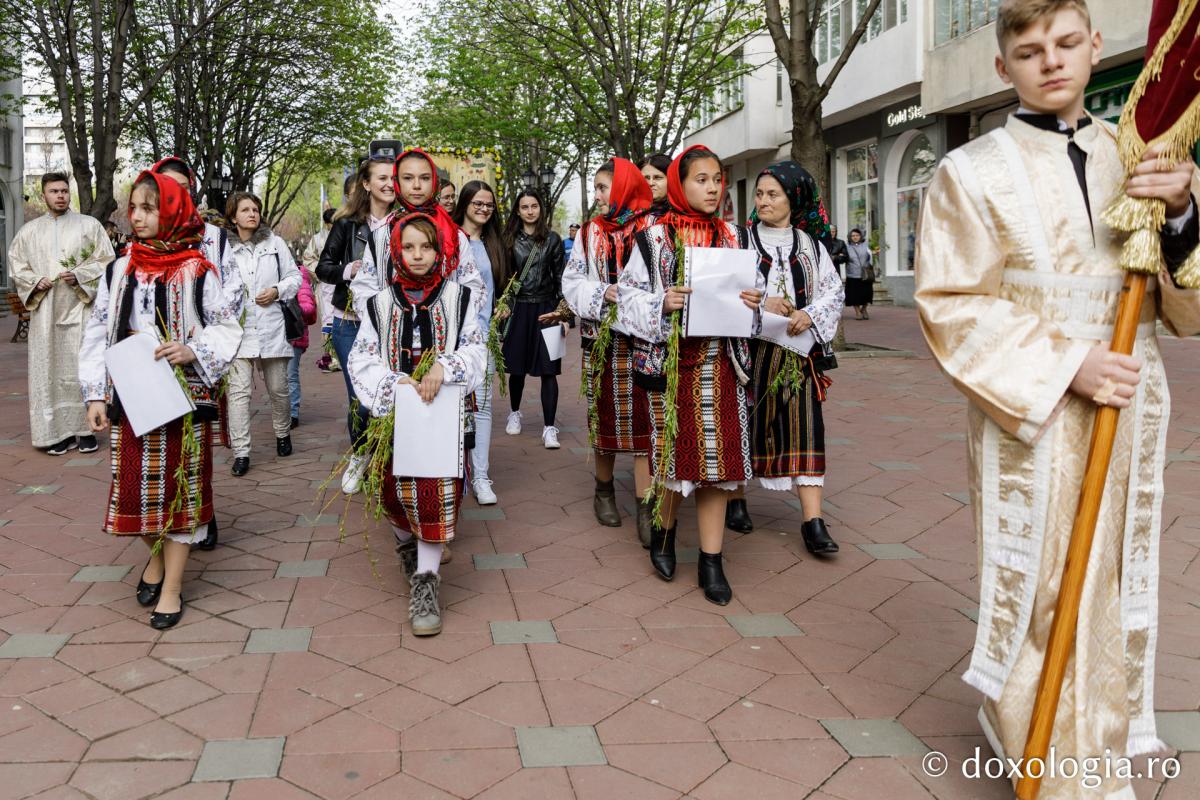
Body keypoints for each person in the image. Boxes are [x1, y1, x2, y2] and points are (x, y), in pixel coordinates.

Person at [914, 1, 1199, 797]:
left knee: (1109, 572)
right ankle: (1036, 746)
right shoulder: (968, 172)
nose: (1053, 61)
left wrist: (1181, 211)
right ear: (1003, 67)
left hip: (1130, 399)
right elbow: (950, 302)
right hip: (1032, 407)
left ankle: (1097, 749)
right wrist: (1069, 363)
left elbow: (1187, 310)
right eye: (1030, 50)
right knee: (1040, 576)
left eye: (1068, 43)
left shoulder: (1141, 159)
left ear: (1095, 46)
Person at [78, 171, 242, 629]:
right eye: (134, 208)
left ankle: (172, 587)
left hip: (183, 399)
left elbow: (227, 327)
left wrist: (194, 349)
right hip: (133, 395)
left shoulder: (197, 271)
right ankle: (155, 557)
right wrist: (95, 393)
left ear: (171, 210)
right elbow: (98, 331)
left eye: (149, 208)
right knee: (136, 491)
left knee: (180, 489)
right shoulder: (120, 267)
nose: (138, 217)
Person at [617, 145, 763, 606]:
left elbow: (757, 302)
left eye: (718, 179)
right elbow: (624, 301)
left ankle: (711, 560)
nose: (714, 187)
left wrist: (754, 304)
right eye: (702, 179)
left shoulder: (737, 237)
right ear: (681, 184)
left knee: (717, 467)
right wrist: (662, 302)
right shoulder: (654, 238)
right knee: (671, 463)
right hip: (670, 366)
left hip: (721, 363)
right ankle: (663, 533)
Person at [348, 213, 487, 636]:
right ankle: (407, 542)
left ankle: (426, 582)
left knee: (437, 493)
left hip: (445, 419)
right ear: (395, 252)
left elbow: (477, 350)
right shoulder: (379, 303)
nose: (418, 255)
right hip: (394, 416)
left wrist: (447, 366)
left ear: (441, 249)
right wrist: (393, 384)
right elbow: (361, 357)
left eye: (426, 246)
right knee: (391, 492)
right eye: (408, 247)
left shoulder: (462, 298)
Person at [747, 161, 844, 555]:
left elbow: (832, 294)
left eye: (773, 194)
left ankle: (813, 521)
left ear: (793, 199)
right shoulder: (741, 240)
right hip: (751, 352)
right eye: (760, 194)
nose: (764, 201)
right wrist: (761, 301)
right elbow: (726, 288)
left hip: (800, 354)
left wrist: (811, 314)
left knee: (806, 428)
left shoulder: (812, 246)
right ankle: (736, 500)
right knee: (746, 425)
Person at [562, 158, 656, 543]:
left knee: (647, 421)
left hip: (646, 337)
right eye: (597, 188)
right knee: (604, 416)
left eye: (604, 188)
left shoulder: (653, 230)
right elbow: (572, 282)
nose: (598, 196)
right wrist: (603, 292)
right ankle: (604, 491)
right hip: (602, 339)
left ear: (623, 189)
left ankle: (647, 506)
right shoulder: (589, 234)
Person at [9, 172, 115, 455]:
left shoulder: (89, 226)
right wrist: (34, 281)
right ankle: (53, 433)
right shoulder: (28, 232)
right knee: (48, 370)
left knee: (81, 366)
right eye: (54, 191)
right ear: (44, 195)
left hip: (81, 310)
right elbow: (16, 266)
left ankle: (85, 431)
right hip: (45, 313)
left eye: (64, 191)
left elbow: (107, 261)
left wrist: (80, 274)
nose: (60, 195)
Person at [317, 156, 395, 492]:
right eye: (382, 178)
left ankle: (387, 462)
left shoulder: (407, 223)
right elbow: (324, 268)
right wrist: (350, 270)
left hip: (392, 321)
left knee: (390, 391)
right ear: (366, 184)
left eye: (395, 177)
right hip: (350, 321)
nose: (390, 183)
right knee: (359, 397)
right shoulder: (347, 224)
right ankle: (360, 455)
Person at [225, 191, 301, 476]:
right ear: (233, 217)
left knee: (279, 390)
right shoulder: (224, 248)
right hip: (238, 331)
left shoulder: (275, 243)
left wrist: (277, 291)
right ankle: (241, 453)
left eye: (255, 209)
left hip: (271, 327)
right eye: (245, 210)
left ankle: (282, 434)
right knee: (238, 394)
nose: (252, 214)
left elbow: (295, 277)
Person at [452, 180, 509, 506]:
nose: (484, 208)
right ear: (465, 203)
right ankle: (454, 473)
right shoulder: (450, 238)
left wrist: (504, 304)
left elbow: (496, 286)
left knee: (483, 407)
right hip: (453, 339)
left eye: (489, 204)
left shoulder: (493, 243)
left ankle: (481, 477)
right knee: (455, 409)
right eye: (478, 203)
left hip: (485, 336)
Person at [498, 189, 567, 449]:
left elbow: (561, 278)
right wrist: (503, 307)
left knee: (550, 370)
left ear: (540, 209)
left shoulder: (552, 240)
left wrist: (564, 315)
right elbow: (504, 278)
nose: (530, 211)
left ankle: (550, 428)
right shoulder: (509, 240)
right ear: (518, 210)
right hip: (519, 309)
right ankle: (514, 412)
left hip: (547, 309)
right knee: (517, 368)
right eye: (525, 206)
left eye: (534, 206)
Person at [304, 208, 338, 372]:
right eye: (333, 223)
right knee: (328, 319)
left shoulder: (345, 234)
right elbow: (308, 258)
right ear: (326, 223)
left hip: (343, 282)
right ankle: (331, 356)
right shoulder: (317, 239)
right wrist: (322, 271)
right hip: (325, 285)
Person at [287, 261, 318, 427]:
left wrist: (289, 309)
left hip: (294, 336)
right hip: (277, 336)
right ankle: (282, 410)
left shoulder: (299, 278)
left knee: (290, 375)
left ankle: (292, 413)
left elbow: (308, 307)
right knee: (279, 377)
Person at [843, 228, 873, 319]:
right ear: (850, 237)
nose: (855, 237)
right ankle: (857, 312)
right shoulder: (847, 247)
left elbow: (870, 257)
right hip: (852, 274)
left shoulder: (866, 245)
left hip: (865, 274)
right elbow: (844, 258)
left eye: (857, 235)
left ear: (860, 236)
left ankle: (864, 309)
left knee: (867, 294)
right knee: (854, 295)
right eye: (853, 236)